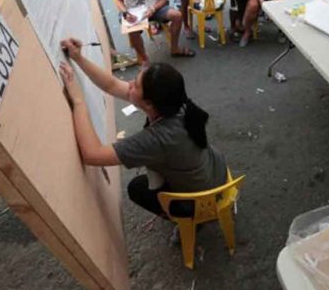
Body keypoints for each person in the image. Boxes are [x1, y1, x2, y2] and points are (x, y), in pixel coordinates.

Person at [58, 50, 227, 219]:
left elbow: (92, 155)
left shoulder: (158, 139)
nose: (129, 83)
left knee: (137, 189)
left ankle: (190, 221)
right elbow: (112, 85)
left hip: (202, 199)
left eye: (136, 85)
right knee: (153, 177)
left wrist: (78, 102)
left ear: (149, 103)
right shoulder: (174, 103)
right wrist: (78, 58)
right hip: (216, 171)